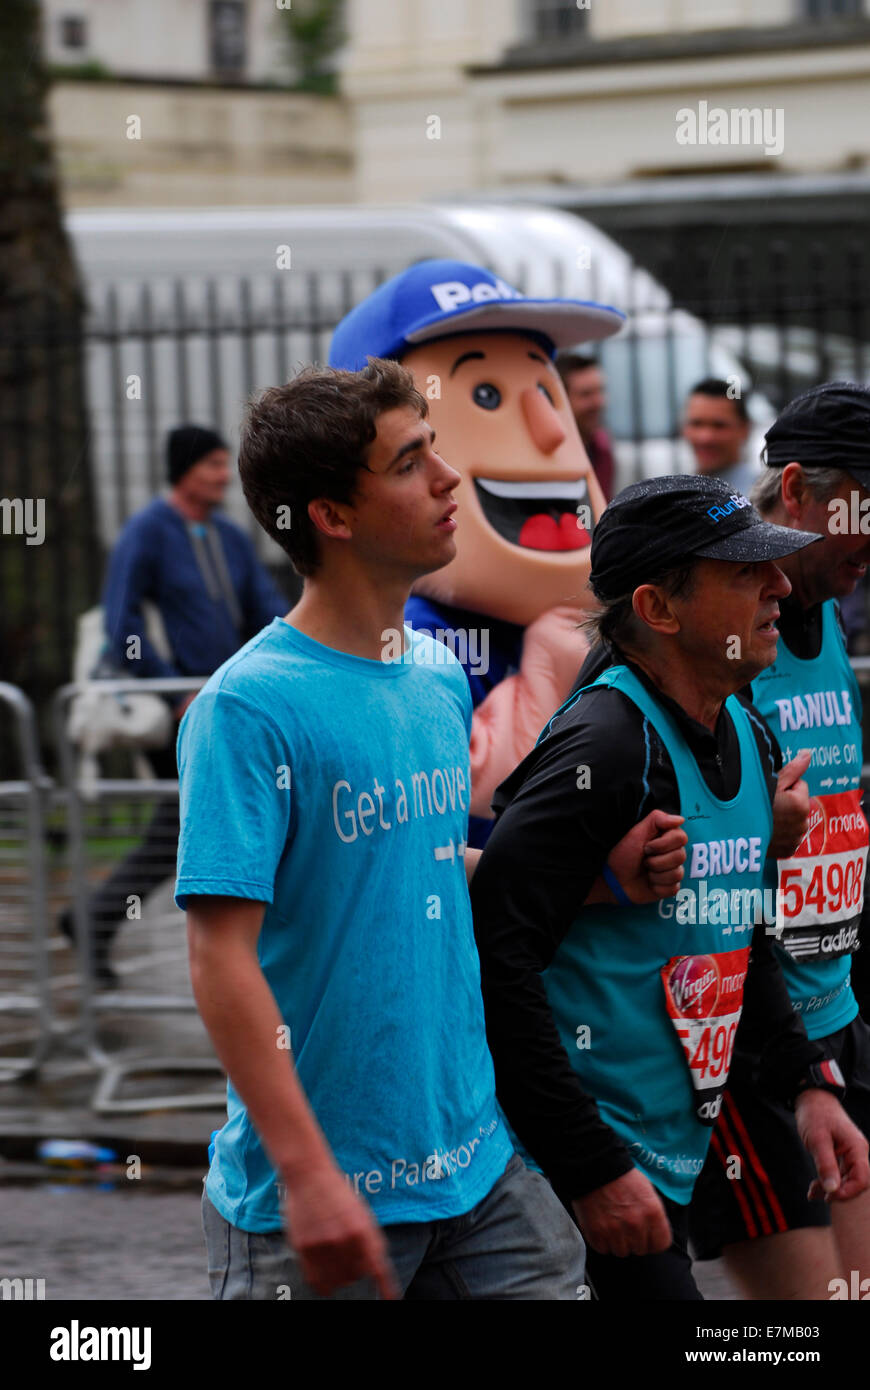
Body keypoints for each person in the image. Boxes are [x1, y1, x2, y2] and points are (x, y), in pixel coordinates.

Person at [177, 359, 685, 1301]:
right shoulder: (246, 708)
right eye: (411, 463)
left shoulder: (436, 675)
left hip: (478, 1168)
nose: (451, 479)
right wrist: (308, 1176)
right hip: (321, 1200)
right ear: (331, 515)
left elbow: (426, 862)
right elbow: (219, 958)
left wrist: (599, 876)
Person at [470, 474, 870, 1300]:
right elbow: (495, 955)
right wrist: (591, 1168)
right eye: (745, 573)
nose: (780, 587)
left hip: (660, 1168)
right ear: (658, 609)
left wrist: (806, 1086)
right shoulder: (607, 746)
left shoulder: (749, 731)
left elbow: (737, 934)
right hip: (566, 1175)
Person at [329, 260, 624, 848]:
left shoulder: (597, 622)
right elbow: (436, 808)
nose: (549, 432)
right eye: (486, 395)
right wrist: (545, 677)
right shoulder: (412, 637)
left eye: (547, 392)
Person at [689, 382, 870, 1299]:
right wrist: (763, 824)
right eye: (863, 510)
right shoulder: (717, 625)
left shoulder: (826, 602)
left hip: (833, 1011)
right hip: (752, 1034)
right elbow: (659, 821)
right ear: (795, 490)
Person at [60, 423, 287, 987]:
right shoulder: (147, 531)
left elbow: (265, 607)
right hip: (179, 711)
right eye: (213, 464)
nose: (223, 476)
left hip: (229, 705)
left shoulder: (228, 535)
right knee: (196, 826)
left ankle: (94, 918)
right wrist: (174, 689)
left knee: (185, 829)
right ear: (184, 469)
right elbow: (121, 622)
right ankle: (103, 920)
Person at [556, 352, 616, 502]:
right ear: (560, 400)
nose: (599, 402)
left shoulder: (602, 448)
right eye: (586, 394)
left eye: (600, 390)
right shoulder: (548, 458)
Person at [683, 377, 757, 496]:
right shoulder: (679, 491)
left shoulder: (762, 497)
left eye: (719, 426)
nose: (705, 438)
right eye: (696, 424)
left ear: (745, 429)